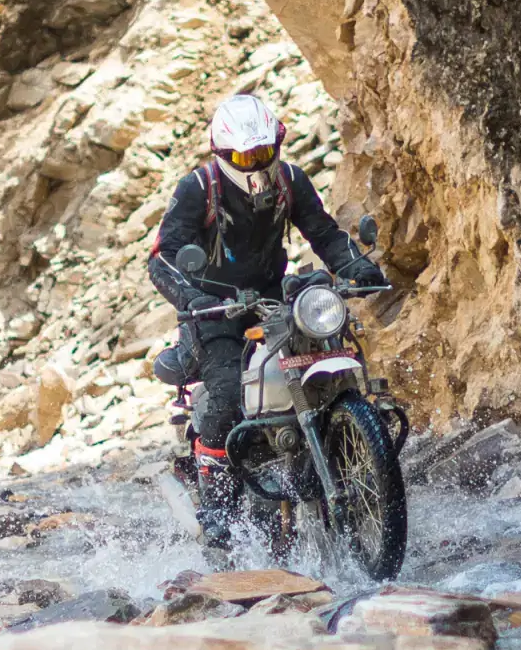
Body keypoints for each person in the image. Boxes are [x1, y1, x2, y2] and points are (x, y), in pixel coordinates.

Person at [147, 91, 385, 544]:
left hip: (274, 300)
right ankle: (217, 503)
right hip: (213, 308)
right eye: (243, 155)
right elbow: (164, 257)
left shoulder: (291, 180)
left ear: (277, 145)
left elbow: (323, 232)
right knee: (226, 393)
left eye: (262, 153)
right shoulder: (198, 188)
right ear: (222, 153)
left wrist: (356, 265)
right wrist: (191, 297)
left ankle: (353, 451)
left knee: (327, 353)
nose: (254, 164)